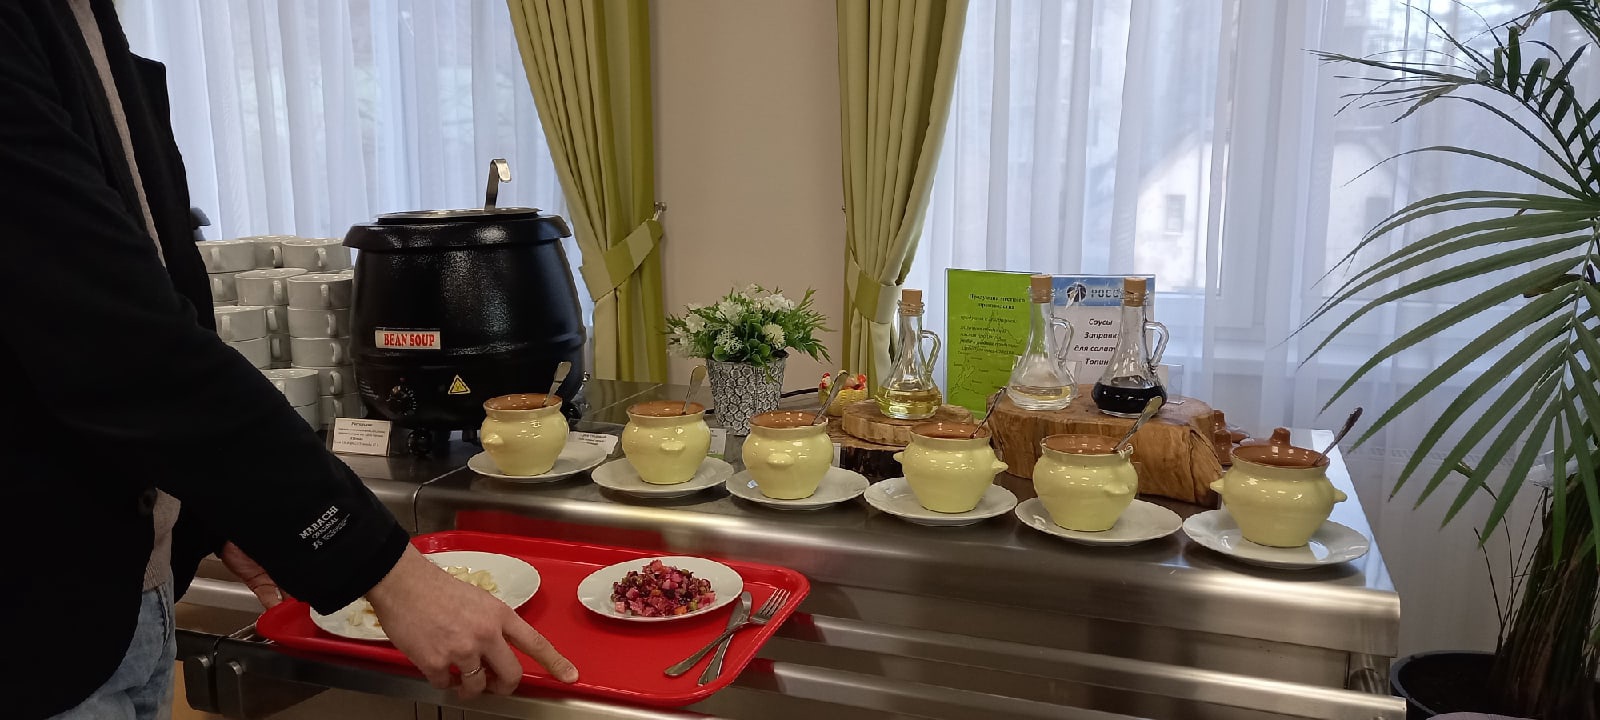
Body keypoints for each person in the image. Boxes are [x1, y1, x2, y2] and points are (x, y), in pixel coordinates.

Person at [0, 3, 577, 718]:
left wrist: (212, 508)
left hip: (125, 593)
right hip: (36, 623)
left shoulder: (83, 19)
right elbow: (111, 334)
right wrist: (385, 569)